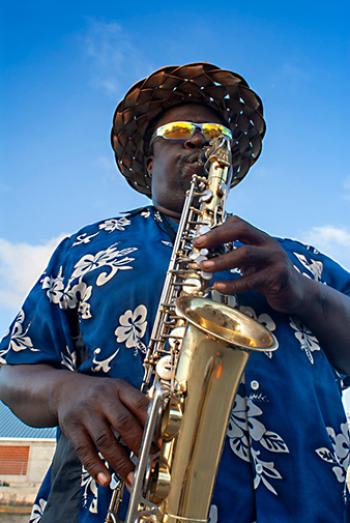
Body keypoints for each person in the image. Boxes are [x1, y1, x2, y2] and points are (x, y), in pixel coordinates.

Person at [0, 62, 349, 523]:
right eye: (179, 129)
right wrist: (65, 389)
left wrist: (303, 291)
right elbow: (12, 371)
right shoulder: (84, 249)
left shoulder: (300, 259)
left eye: (213, 130)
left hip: (309, 505)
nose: (198, 138)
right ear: (149, 163)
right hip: (121, 503)